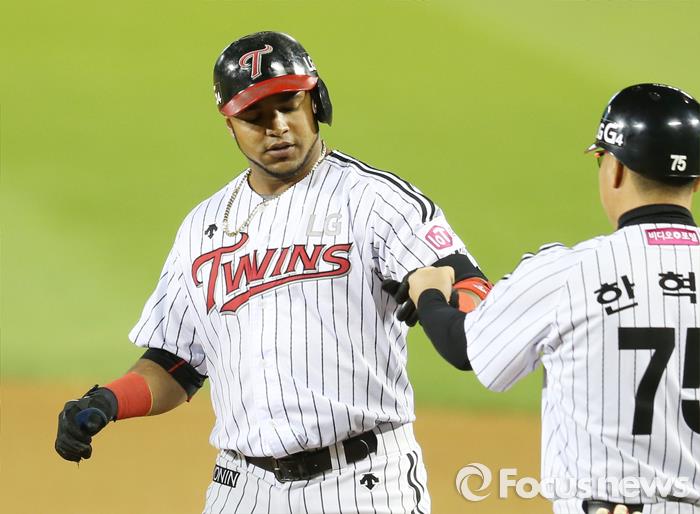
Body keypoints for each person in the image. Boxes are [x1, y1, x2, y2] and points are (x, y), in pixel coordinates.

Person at [54, 31, 486, 514]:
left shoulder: (375, 201)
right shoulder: (202, 226)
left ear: (316, 103)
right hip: (240, 489)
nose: (277, 127)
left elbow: (469, 284)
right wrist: (108, 400)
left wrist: (448, 302)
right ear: (231, 126)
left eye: (288, 106)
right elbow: (177, 362)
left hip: (361, 483)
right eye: (255, 117)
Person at [388, 83, 700, 513]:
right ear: (695, 182)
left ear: (615, 170)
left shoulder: (567, 273)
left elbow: (464, 347)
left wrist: (429, 293)